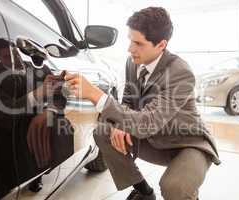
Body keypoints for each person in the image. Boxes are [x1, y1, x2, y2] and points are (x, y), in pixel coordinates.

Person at [65, 7, 220, 200]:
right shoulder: (133, 62)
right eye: (130, 40)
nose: (130, 48)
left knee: (175, 187)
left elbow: (147, 123)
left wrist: (95, 95)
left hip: (188, 143)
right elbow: (129, 100)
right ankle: (144, 192)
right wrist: (119, 125)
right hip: (155, 138)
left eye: (138, 43)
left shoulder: (180, 73)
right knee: (104, 131)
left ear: (161, 45)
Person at [0, 36, 67, 198]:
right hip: (2, 127)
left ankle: (39, 173)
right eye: (7, 57)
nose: (15, 61)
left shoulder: (41, 69)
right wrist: (38, 94)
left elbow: (59, 98)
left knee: (58, 125)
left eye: (17, 55)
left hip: (32, 123)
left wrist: (49, 111)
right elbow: (2, 111)